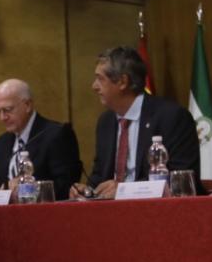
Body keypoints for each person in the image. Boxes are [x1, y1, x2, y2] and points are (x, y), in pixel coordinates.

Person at [72, 46, 200, 199]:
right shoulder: (105, 122)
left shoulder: (172, 117)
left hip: (159, 213)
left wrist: (125, 190)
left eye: (100, 79)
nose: (94, 86)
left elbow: (180, 180)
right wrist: (87, 190)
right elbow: (100, 176)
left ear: (122, 82)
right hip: (111, 213)